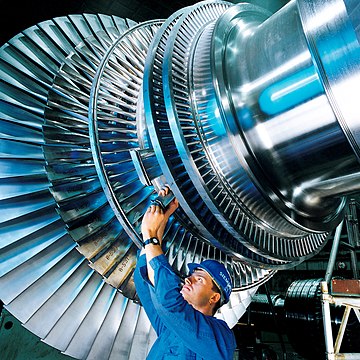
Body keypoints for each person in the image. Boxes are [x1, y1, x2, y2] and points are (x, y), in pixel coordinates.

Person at [134, 186, 236, 359]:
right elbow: (145, 282)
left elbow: (170, 303)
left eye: (200, 279)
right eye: (191, 276)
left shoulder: (220, 337)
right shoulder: (170, 327)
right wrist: (162, 221)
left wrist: (150, 235)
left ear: (214, 298)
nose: (188, 280)